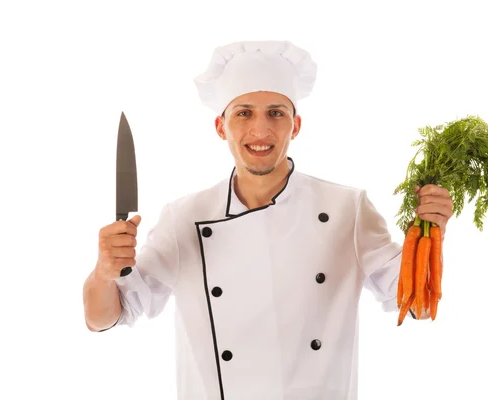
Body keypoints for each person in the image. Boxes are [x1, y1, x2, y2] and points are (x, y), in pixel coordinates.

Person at [82, 40, 454, 399]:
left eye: (276, 113)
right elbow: (104, 318)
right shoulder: (183, 219)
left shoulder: (347, 209)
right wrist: (103, 272)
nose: (260, 131)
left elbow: (416, 306)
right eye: (244, 112)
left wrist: (431, 232)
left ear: (295, 126)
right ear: (221, 126)